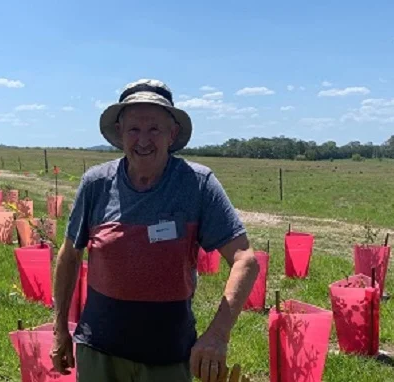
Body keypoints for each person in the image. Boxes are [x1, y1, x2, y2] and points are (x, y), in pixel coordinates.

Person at [50, 79, 260, 382]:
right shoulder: (96, 184)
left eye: (155, 129)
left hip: (168, 357)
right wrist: (60, 330)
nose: (143, 140)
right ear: (120, 133)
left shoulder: (197, 184)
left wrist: (217, 335)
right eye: (134, 129)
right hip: (99, 352)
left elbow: (245, 259)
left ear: (172, 134)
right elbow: (69, 257)